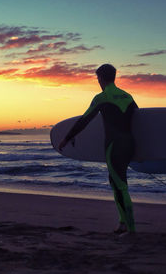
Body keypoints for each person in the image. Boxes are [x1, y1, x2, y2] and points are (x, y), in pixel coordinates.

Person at [59, 64, 138, 235]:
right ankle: (123, 223)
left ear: (100, 78)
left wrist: (67, 138)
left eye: (97, 79)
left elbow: (84, 120)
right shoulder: (128, 96)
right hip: (129, 144)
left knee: (120, 186)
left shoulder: (101, 97)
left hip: (114, 146)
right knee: (116, 182)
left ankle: (131, 230)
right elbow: (139, 121)